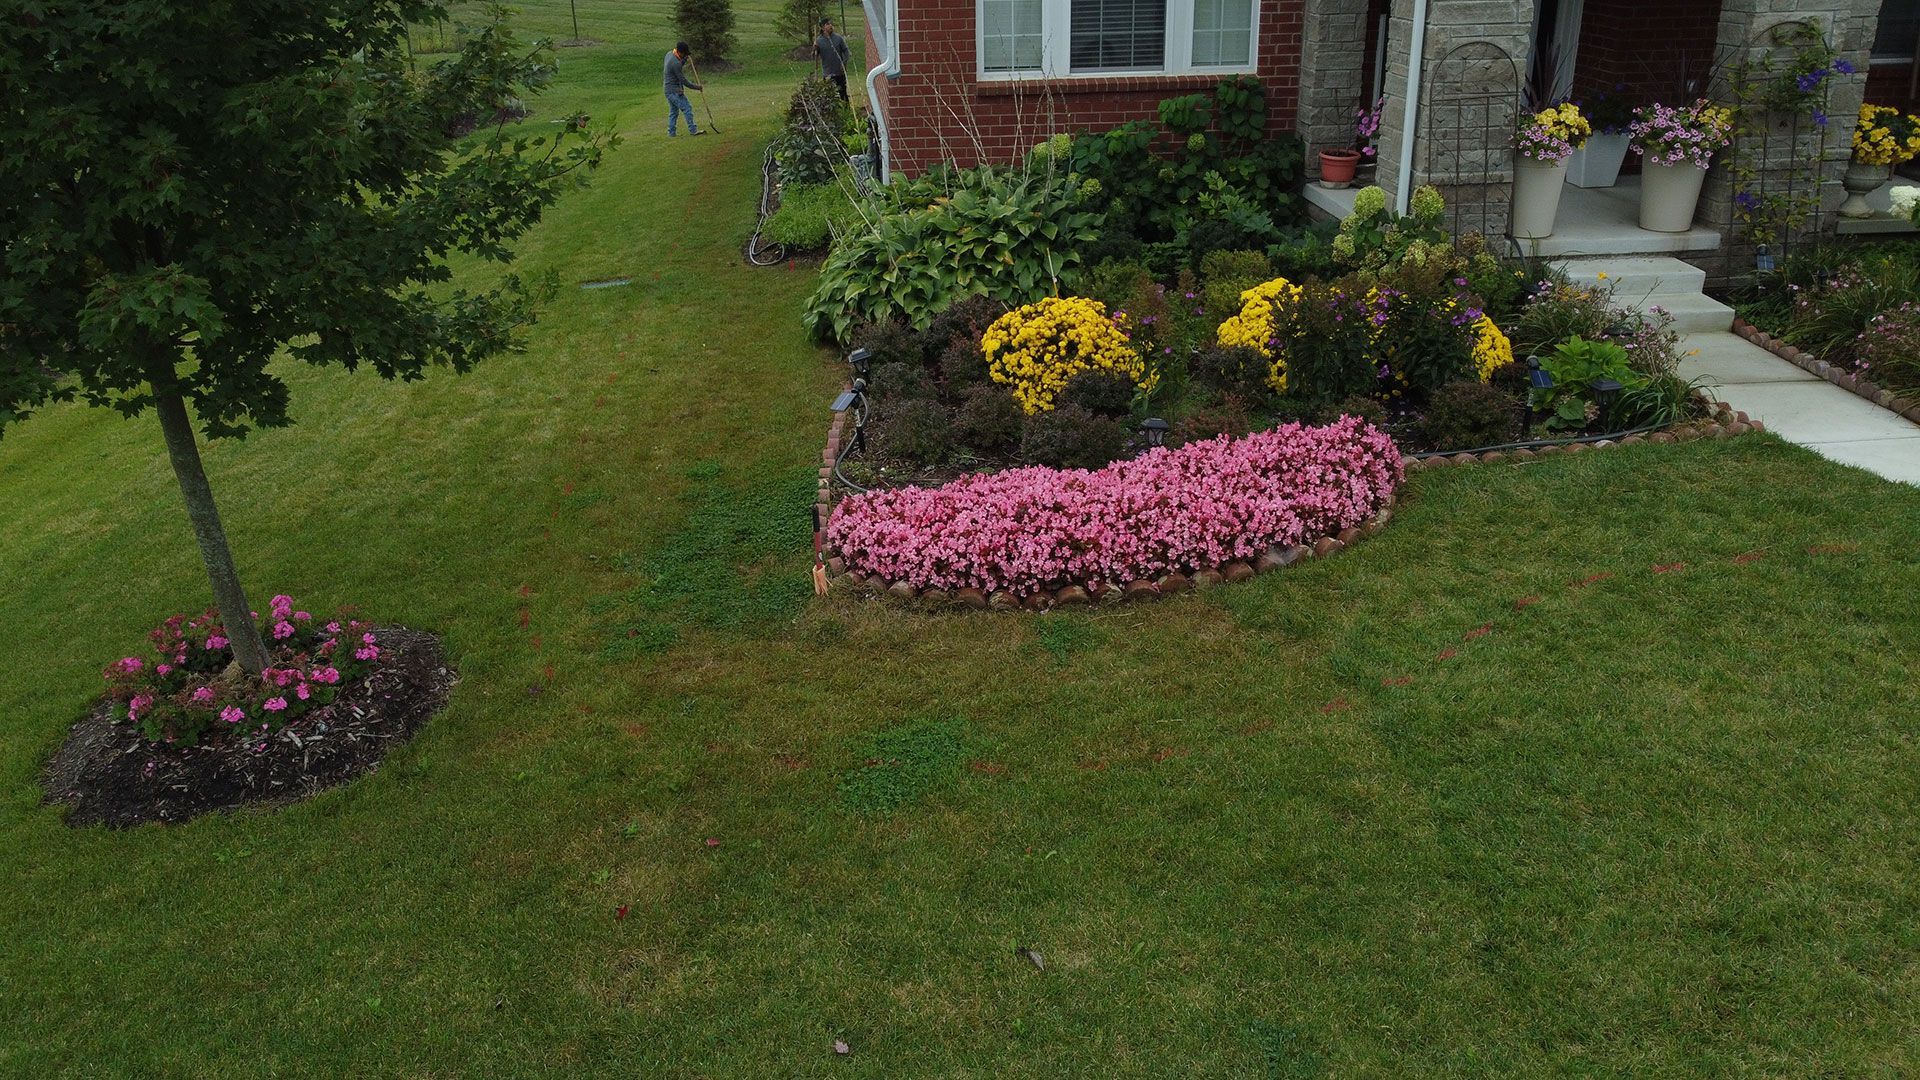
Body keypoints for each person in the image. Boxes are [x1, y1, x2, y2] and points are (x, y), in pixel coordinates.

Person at [663, 41, 704, 137]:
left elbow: (679, 63)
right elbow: (684, 81)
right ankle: (693, 130)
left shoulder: (669, 54)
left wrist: (685, 59)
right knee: (687, 108)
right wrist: (697, 87)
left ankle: (671, 133)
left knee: (674, 112)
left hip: (667, 90)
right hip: (674, 91)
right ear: (680, 52)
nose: (685, 55)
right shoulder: (675, 63)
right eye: (685, 54)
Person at [815, 18, 851, 103]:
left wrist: (844, 63)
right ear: (822, 28)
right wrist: (815, 50)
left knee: (843, 93)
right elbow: (814, 56)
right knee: (828, 95)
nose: (830, 26)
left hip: (839, 72)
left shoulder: (838, 38)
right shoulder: (819, 41)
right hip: (827, 73)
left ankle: (846, 111)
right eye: (827, 24)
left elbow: (846, 51)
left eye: (830, 24)